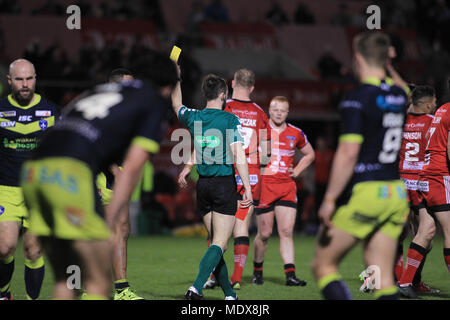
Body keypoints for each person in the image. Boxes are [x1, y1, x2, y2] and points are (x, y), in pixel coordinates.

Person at [20, 52, 178, 299]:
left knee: (66, 278)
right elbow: (133, 167)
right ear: (167, 88)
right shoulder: (152, 100)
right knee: (97, 280)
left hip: (33, 170)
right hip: (69, 173)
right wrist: (110, 217)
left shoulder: (101, 91)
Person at [311, 32, 410, 300]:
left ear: (357, 58)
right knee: (382, 277)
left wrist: (330, 199)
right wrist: (389, 65)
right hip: (397, 194)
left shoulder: (357, 98)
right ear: (386, 59)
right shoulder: (400, 96)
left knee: (323, 264)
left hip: (369, 194)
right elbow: (404, 89)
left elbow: (348, 152)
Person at [179, 69, 270, 290]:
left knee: (217, 238)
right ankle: (230, 281)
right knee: (233, 233)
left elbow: (203, 141)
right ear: (252, 87)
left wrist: (189, 165)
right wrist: (253, 177)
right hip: (239, 174)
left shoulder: (215, 110)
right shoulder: (254, 114)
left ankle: (223, 286)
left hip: (211, 178)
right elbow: (265, 152)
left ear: (232, 84)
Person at [0, 59, 59, 300]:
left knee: (34, 250)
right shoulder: (0, 110)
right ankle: (4, 293)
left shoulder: (53, 111)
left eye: (29, 78)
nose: (25, 84)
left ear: (35, 78)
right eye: (19, 79)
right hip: (6, 189)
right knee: (5, 247)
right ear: (9, 81)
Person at [252, 95, 314, 286]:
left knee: (286, 231)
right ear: (269, 110)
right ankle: (258, 272)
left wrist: (297, 170)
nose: (278, 113)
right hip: (265, 187)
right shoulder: (260, 131)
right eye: (275, 109)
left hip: (286, 186)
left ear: (288, 112)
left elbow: (310, 154)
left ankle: (290, 275)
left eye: (282, 110)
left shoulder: (296, 132)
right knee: (264, 233)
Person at [95, 68, 144, 300]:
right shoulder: (103, 109)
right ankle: (95, 287)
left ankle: (118, 288)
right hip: (103, 176)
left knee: (122, 230)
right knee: (105, 232)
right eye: (128, 84)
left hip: (120, 174)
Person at [397, 85, 440, 298]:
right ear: (430, 104)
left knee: (403, 233)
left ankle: (404, 279)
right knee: (426, 235)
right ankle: (407, 281)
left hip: (400, 182)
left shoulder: (401, 122)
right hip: (421, 184)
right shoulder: (433, 123)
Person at [416, 83, 450, 292]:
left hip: (425, 174)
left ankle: (405, 283)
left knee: (425, 231)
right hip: (439, 175)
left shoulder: (442, 109)